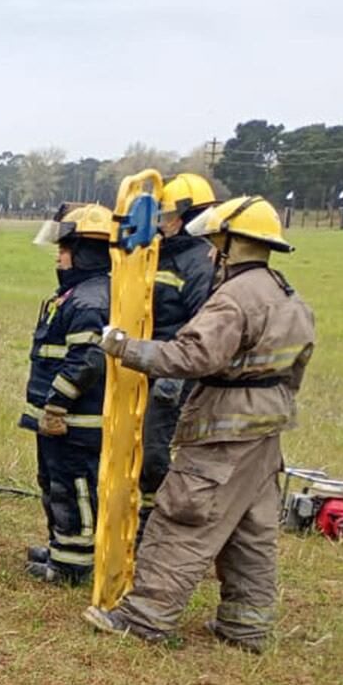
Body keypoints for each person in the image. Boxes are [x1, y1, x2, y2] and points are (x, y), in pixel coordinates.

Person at [85, 195, 315, 654]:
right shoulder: (285, 293)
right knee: (251, 529)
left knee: (185, 516)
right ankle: (245, 627)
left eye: (216, 244)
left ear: (233, 245)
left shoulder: (234, 297)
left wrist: (125, 347)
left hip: (223, 431)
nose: (211, 253)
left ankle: (145, 616)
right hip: (266, 429)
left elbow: (191, 356)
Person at [22, 202, 115, 586]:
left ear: (85, 252)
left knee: (73, 488)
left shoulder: (91, 299)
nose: (59, 257)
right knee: (54, 483)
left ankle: (72, 566)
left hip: (74, 422)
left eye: (64, 249)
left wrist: (57, 404)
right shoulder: (79, 293)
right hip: (59, 420)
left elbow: (87, 359)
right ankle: (60, 547)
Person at [139, 173, 220, 522]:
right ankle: (143, 521)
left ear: (187, 216)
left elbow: (202, 326)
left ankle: (157, 524)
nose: (162, 223)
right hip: (149, 365)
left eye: (167, 216)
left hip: (174, 375)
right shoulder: (163, 254)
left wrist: (174, 376)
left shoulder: (201, 263)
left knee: (157, 453)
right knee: (142, 449)